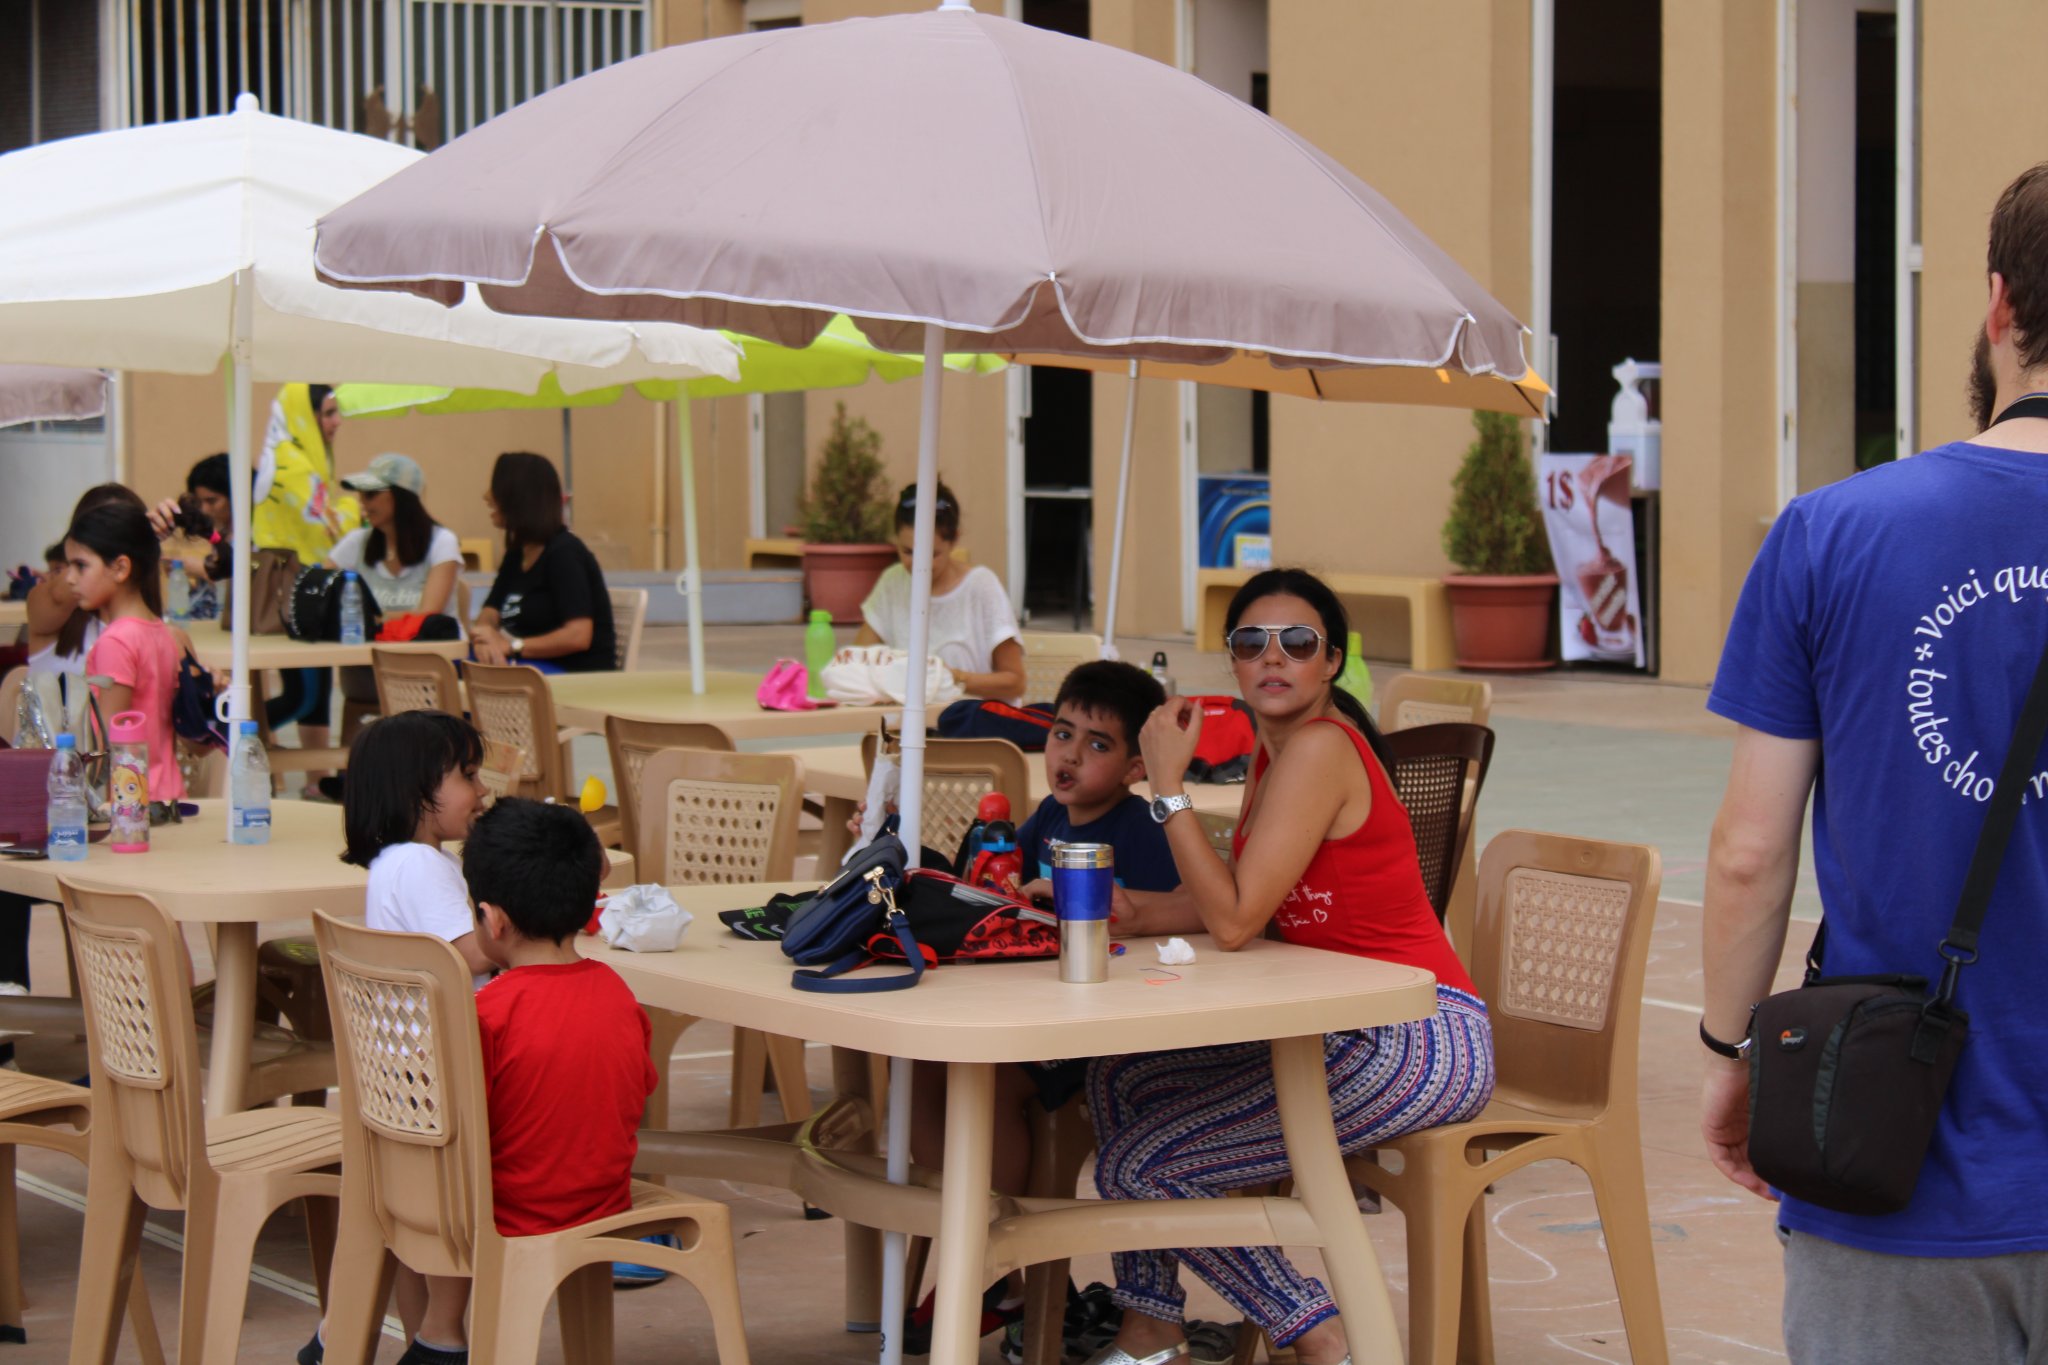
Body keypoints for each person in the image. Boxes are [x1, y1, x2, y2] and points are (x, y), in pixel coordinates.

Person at [1700, 163, 2048, 1364]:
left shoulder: (1832, 531)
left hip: (1897, 1162)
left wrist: (1728, 1050)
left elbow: (1748, 855)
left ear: (1996, 303)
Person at [1084, 568, 1494, 1365]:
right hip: (1344, 1026)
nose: (1273, 657)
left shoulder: (1319, 748)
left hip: (1419, 1035)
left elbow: (1236, 923)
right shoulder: (1275, 756)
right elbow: (1244, 898)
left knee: (1142, 1165)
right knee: (1120, 1077)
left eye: (1298, 642)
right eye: (1252, 642)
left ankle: (1320, 1334)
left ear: (1331, 661)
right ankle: (1150, 1325)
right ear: (1233, 660)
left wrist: (1166, 786)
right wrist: (1134, 911)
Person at [897, 660, 1181, 1359]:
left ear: (1137, 766)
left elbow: (1185, 917)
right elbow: (1001, 888)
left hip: (1107, 1032)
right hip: (1042, 1008)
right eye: (1062, 733)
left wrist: (1121, 912)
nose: (1070, 754)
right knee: (925, 1063)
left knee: (991, 1082)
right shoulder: (1049, 817)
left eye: (1097, 744)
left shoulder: (1141, 829)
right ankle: (993, 1263)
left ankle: (992, 1258)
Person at [300, 710, 493, 1365]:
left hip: (398, 1077)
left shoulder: (393, 862)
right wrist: (528, 904)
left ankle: (371, 1335)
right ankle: (442, 1336)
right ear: (417, 790)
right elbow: (472, 951)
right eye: (468, 775)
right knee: (468, 1199)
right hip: (435, 1075)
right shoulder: (423, 865)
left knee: (411, 1229)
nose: (481, 789)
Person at [465, 800, 658, 1354]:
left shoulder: (487, 1012)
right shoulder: (619, 994)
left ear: (493, 919)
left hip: (510, 1217)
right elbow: (638, 1088)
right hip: (605, 1205)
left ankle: (438, 1338)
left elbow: (459, 1124)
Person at [320, 452, 464, 780]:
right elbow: (321, 594)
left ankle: (400, 780)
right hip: (367, 670)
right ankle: (354, 781)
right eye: (361, 494)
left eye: (371, 494)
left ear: (401, 497)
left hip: (427, 671)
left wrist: (372, 620)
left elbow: (428, 615)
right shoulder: (356, 543)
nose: (362, 502)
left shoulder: (442, 542)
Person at [257, 383, 361, 777]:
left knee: (315, 693)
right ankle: (230, 740)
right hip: (293, 595)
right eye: (329, 413)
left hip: (303, 592)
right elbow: (330, 525)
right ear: (306, 415)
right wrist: (355, 508)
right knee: (303, 695)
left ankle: (318, 782)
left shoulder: (298, 460)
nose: (337, 422)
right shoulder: (293, 465)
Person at [856, 480, 1026, 701]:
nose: (919, 564)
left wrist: (952, 678)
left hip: (972, 720)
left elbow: (1016, 683)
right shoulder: (893, 582)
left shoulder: (981, 586)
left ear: (954, 540)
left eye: (931, 554)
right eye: (908, 552)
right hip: (910, 719)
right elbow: (858, 661)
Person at [65, 500, 186, 802]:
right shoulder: (162, 633)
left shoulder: (115, 642)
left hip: (131, 806)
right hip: (169, 797)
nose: (70, 578)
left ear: (120, 568)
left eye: (81, 566)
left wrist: (101, 810)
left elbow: (111, 744)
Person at [470, 452, 615, 673]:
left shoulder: (564, 553)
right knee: (458, 665)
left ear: (518, 497)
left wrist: (511, 647)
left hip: (574, 675)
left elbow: (578, 636)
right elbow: (491, 610)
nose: (487, 496)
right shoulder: (517, 554)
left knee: (476, 674)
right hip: (534, 667)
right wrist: (485, 637)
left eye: (496, 488)